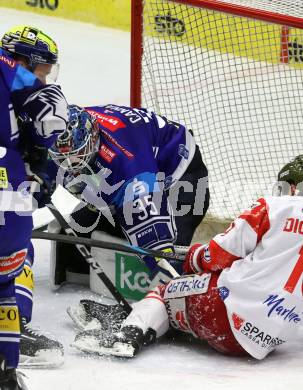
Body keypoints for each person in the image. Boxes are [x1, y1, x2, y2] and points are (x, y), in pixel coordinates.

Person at [69, 155, 303, 359]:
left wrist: (194, 256)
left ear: (291, 186)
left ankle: (128, 334)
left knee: (166, 291)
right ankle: (147, 316)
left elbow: (219, 255)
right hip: (270, 338)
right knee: (202, 289)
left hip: (226, 316)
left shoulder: (274, 206)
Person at [47, 103, 209, 298]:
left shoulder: (128, 162)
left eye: (78, 156)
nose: (72, 167)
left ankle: (180, 304)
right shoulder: (58, 132)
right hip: (126, 170)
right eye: (62, 159)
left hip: (181, 175)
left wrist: (165, 273)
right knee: (77, 227)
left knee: (168, 256)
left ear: (94, 139)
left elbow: (155, 243)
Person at [0, 25, 68, 387]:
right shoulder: (23, 83)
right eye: (42, 68)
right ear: (26, 60)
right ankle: (10, 353)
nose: (44, 77)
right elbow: (48, 122)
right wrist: (40, 174)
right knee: (14, 256)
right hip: (7, 197)